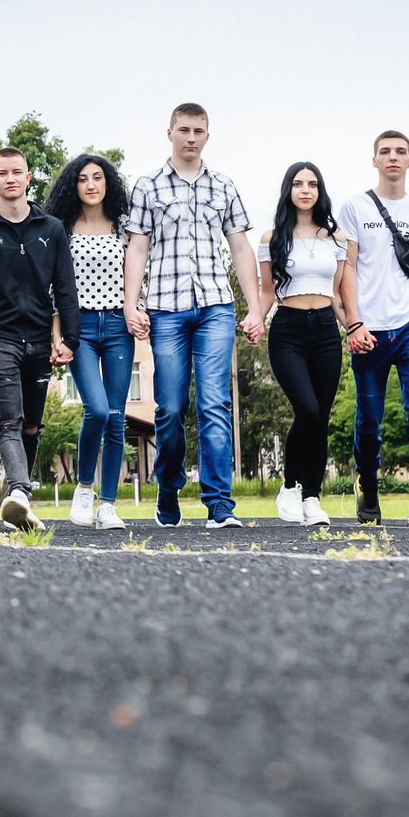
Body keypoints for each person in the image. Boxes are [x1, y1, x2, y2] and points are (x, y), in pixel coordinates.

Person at [123, 104, 266, 529]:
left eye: (198, 131)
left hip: (216, 308)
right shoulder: (147, 186)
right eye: (183, 129)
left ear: (207, 136)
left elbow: (240, 248)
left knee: (214, 403)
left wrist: (255, 307)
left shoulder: (223, 186)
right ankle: (168, 491)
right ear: (169, 132)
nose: (190, 137)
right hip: (166, 310)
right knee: (168, 409)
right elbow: (138, 248)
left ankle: (219, 503)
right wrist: (133, 304)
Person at [0, 147, 77, 533]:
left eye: (17, 172)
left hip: (41, 340)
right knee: (9, 420)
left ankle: (14, 496)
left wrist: (69, 340)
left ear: (28, 178)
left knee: (31, 427)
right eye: (1, 173)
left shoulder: (52, 228)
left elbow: (65, 287)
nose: (10, 178)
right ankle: (22, 493)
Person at [334, 131, 409, 525]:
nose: (393, 158)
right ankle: (367, 488)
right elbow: (346, 268)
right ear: (375, 160)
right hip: (369, 329)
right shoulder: (353, 207)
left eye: (401, 152)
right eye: (385, 152)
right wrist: (353, 323)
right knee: (370, 420)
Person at [252, 162, 361, 528]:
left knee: (322, 419)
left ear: (320, 191)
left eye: (312, 184)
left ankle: (312, 497)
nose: (305, 190)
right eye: (298, 184)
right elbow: (267, 292)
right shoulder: (272, 239)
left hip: (326, 331)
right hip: (288, 330)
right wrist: (255, 317)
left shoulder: (338, 239)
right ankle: (289, 487)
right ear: (289, 190)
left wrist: (355, 327)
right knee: (308, 410)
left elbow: (339, 294)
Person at [44, 154, 133, 531]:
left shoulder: (125, 228)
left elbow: (136, 276)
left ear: (108, 183)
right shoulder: (61, 229)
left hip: (117, 327)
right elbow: (54, 289)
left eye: (98, 177)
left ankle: (108, 504)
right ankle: (84, 487)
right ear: (74, 186)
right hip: (78, 330)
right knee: (95, 410)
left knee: (116, 418)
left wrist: (138, 312)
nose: (92, 185)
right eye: (83, 179)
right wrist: (57, 337)